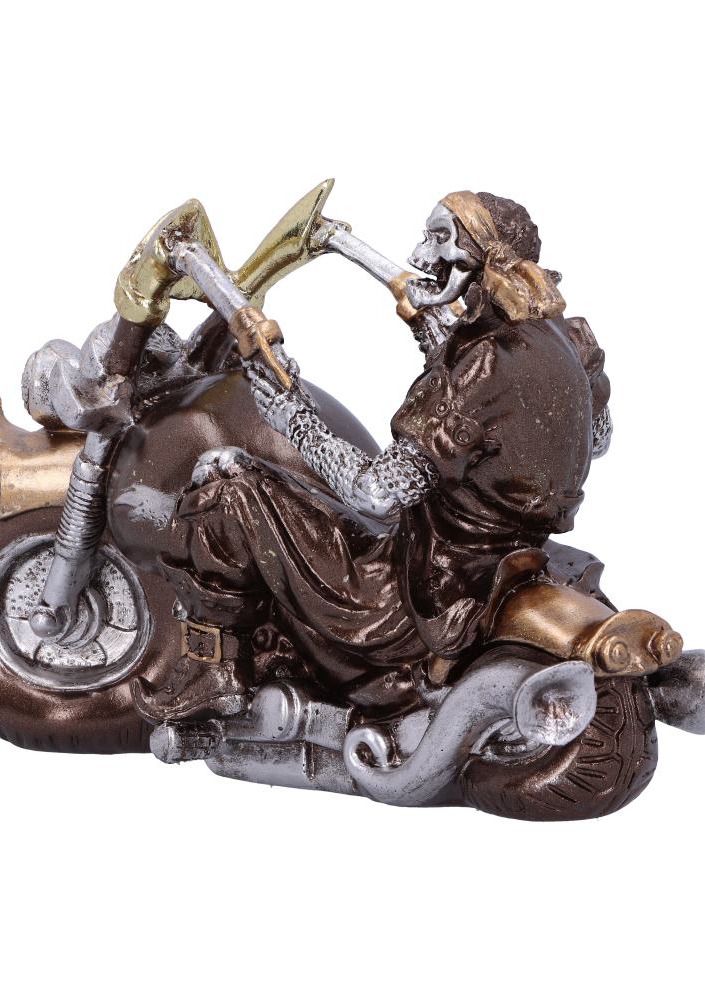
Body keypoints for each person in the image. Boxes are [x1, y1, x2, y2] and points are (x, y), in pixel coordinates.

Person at [134, 192, 612, 722]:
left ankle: (214, 672)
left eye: (439, 239)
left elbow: (377, 493)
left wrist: (294, 416)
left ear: (484, 257)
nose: (419, 255)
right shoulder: (567, 337)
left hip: (428, 586)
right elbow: (595, 437)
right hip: (514, 557)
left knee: (223, 484)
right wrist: (436, 341)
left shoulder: (483, 368)